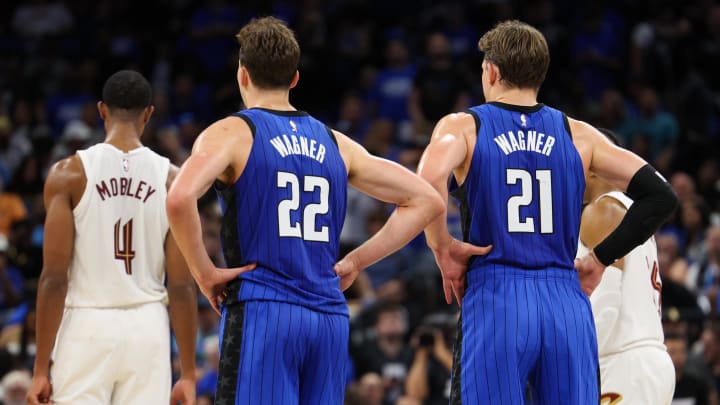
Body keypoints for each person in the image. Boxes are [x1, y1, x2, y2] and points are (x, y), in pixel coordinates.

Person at [166, 17, 444, 405]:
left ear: (242, 75)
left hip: (265, 311)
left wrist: (204, 273)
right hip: (328, 317)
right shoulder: (337, 143)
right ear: (294, 79)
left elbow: (179, 199)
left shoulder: (231, 133)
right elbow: (428, 199)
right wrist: (358, 261)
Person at [416, 20, 678, 404]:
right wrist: (600, 258)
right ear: (539, 75)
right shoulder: (580, 134)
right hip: (566, 299)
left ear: (491, 71)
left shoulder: (465, 126)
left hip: (498, 296)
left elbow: (427, 182)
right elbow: (661, 196)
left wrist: (442, 247)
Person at [27, 70, 198, 405]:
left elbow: (53, 279)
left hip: (86, 326)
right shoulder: (173, 181)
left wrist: (38, 369)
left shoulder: (68, 175)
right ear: (149, 113)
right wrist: (189, 373)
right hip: (148, 327)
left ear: (102, 110)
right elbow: (181, 286)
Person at [579, 128, 675, 404]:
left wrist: (571, 359)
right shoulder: (631, 214)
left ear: (596, 167)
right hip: (644, 359)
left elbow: (605, 300)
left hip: (624, 361)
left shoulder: (602, 210)